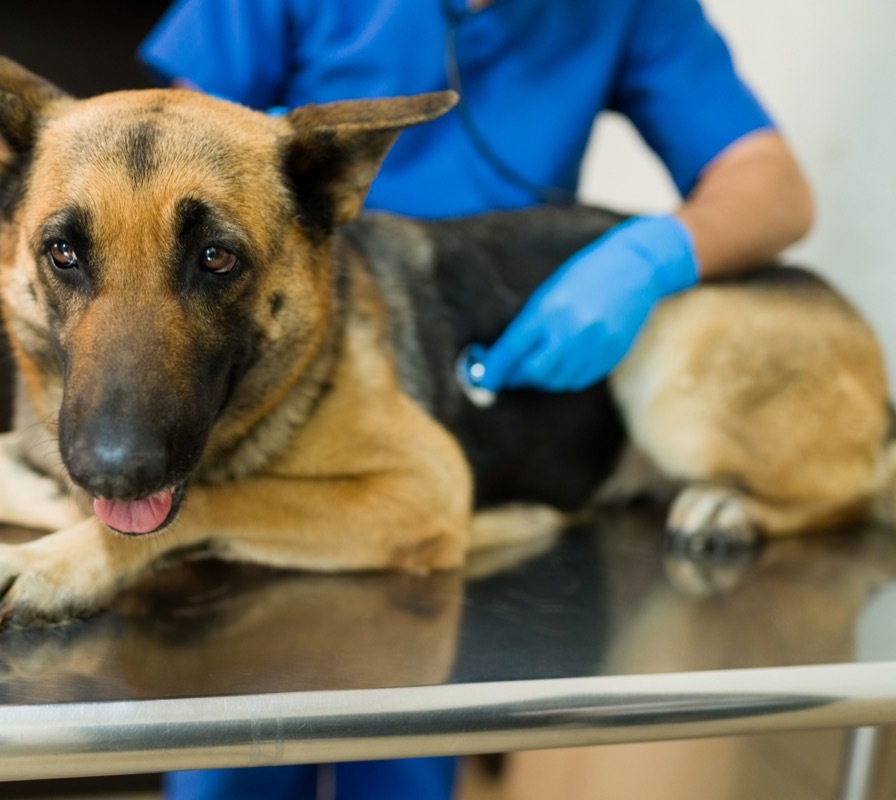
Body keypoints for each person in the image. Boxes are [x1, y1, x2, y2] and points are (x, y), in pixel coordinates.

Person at [139, 0, 812, 797]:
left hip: (483, 395)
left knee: (407, 749)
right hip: (296, 373)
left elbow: (775, 188)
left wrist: (658, 254)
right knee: (229, 746)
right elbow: (158, 153)